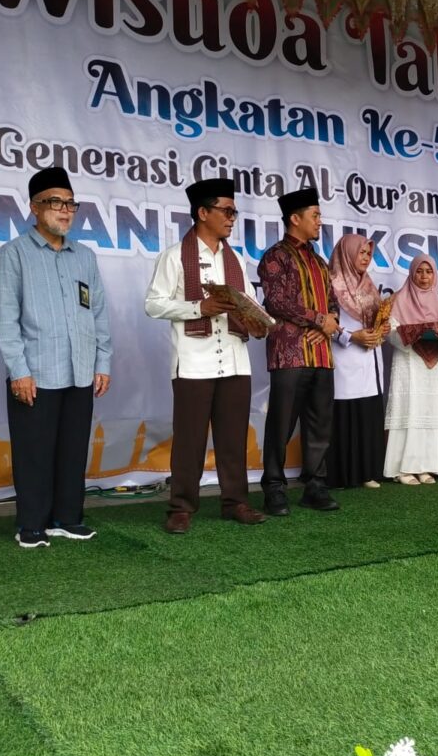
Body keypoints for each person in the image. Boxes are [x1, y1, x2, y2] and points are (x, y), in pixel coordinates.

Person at [0, 167, 112, 548]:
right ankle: (31, 523)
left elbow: (98, 313)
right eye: (55, 203)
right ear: (34, 207)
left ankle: (67, 518)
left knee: (73, 450)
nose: (65, 211)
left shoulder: (85, 257)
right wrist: (18, 371)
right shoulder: (14, 254)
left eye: (70, 204)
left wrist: (102, 362)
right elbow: (7, 319)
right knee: (34, 452)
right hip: (35, 372)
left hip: (80, 369)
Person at [144, 177, 268, 533]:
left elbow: (246, 302)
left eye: (234, 212)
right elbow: (153, 304)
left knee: (233, 438)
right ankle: (181, 507)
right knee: (190, 440)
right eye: (226, 211)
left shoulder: (236, 259)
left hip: (234, 359)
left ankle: (235, 502)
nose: (232, 218)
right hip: (193, 362)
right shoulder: (174, 256)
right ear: (202, 212)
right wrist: (200, 307)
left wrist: (257, 321)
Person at [258, 188, 340, 516]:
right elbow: (277, 302)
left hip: (321, 354)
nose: (320, 221)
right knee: (281, 422)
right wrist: (320, 321)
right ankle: (274, 487)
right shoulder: (275, 256)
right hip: (289, 353)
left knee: (320, 424)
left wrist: (329, 322)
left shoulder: (319, 261)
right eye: (315, 215)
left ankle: (315, 486)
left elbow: (332, 303)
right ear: (295, 218)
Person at [328, 234, 389, 489]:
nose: (365, 258)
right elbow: (325, 324)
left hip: (370, 358)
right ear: (347, 254)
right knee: (345, 414)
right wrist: (352, 337)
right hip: (344, 358)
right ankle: (342, 476)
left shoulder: (369, 285)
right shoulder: (331, 283)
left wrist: (382, 330)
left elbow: (377, 320)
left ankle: (368, 472)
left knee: (367, 412)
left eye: (368, 254)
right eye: (360, 253)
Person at [384, 254, 438, 484]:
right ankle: (402, 469)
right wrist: (413, 333)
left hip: (431, 364)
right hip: (408, 360)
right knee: (409, 409)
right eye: (419, 271)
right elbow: (390, 333)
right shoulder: (399, 299)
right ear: (412, 274)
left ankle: (424, 465)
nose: (424, 277)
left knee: (428, 410)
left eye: (429, 272)